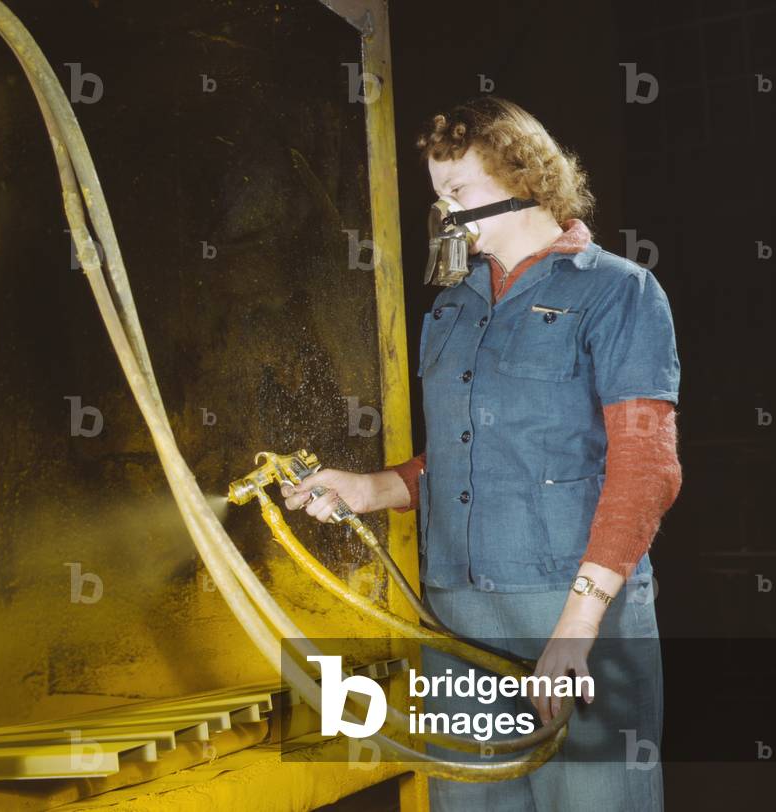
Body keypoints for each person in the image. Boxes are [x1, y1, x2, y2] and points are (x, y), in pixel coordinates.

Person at [281, 96, 682, 810]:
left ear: (525, 181)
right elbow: (465, 457)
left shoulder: (617, 293)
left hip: (571, 612)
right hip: (459, 617)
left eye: (458, 193)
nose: (444, 213)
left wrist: (577, 627)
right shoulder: (453, 308)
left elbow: (646, 470)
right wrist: (367, 490)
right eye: (437, 195)